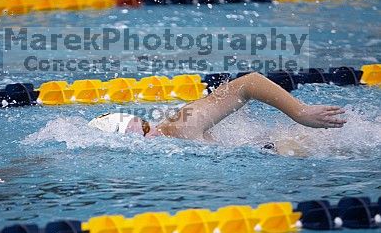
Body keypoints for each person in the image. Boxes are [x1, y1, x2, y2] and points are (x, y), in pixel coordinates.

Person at [88, 72, 346, 147]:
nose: (153, 131)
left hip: (296, 145)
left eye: (146, 125)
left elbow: (250, 83)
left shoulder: (179, 126)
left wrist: (300, 112)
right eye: (144, 134)